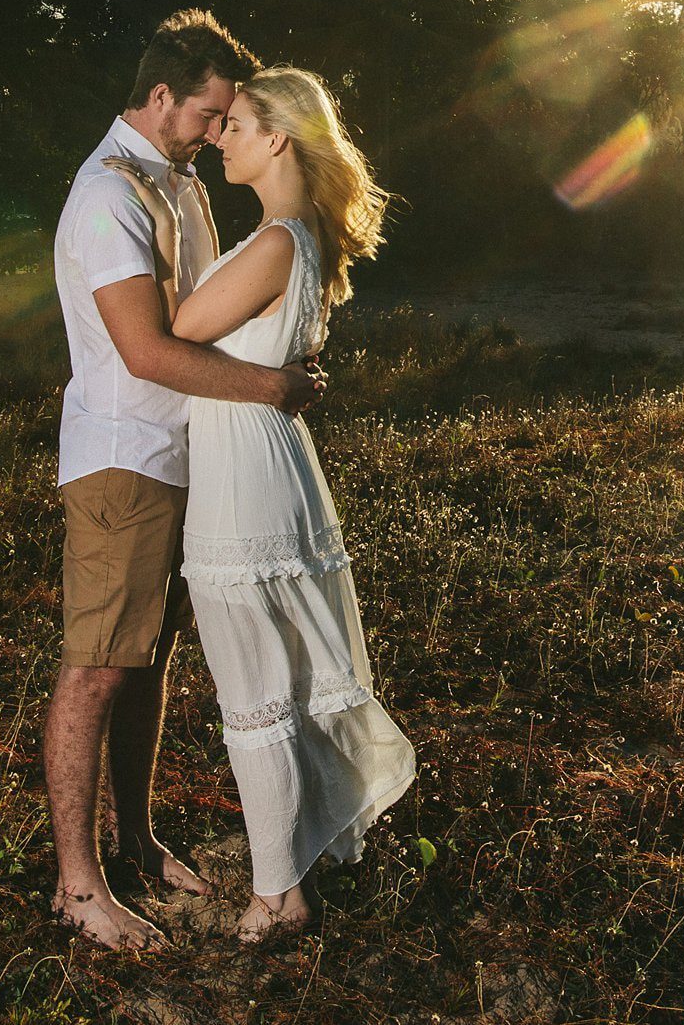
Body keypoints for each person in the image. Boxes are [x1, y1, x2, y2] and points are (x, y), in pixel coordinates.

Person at [46, 10, 324, 953]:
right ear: (160, 95)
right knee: (97, 664)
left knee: (149, 658)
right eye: (207, 113)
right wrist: (272, 387)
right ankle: (79, 889)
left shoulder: (180, 184)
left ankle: (134, 841)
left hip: (183, 458)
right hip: (124, 457)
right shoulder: (106, 196)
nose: (215, 130)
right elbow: (145, 348)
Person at [167, 66, 415, 944]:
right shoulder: (295, 235)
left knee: (254, 687)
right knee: (268, 678)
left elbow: (179, 329)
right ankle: (285, 876)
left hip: (246, 473)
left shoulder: (276, 241)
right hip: (267, 460)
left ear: (277, 137)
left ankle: (278, 894)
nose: (219, 136)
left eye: (234, 125)